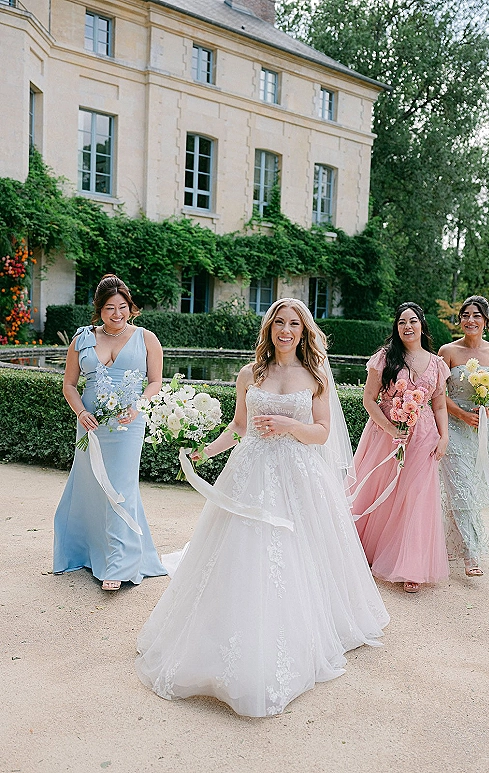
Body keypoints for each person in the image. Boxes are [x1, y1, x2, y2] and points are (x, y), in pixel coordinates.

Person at [135, 298, 389, 717]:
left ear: (304, 331)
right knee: (240, 554)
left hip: (297, 478)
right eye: (278, 323)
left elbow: (323, 433)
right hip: (251, 474)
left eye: (293, 324)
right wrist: (204, 451)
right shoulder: (249, 374)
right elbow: (239, 428)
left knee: (297, 556)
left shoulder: (315, 374)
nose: (285, 330)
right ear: (269, 328)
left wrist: (290, 426)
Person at [53, 274, 167, 591]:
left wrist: (140, 405)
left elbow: (156, 382)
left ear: (130, 307)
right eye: (109, 308)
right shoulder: (82, 339)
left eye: (122, 307)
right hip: (91, 424)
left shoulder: (147, 339)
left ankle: (118, 564)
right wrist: (82, 411)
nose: (117, 314)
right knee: (90, 486)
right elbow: (70, 385)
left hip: (129, 423)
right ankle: (83, 551)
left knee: (121, 487)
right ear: (99, 310)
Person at [351, 302, 450, 593]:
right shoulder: (385, 358)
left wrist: (444, 437)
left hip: (424, 436)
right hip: (387, 433)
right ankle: (366, 551)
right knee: (381, 489)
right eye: (401, 322)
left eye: (413, 321)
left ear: (422, 325)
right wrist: (392, 428)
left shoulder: (436, 363)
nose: (407, 326)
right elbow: (369, 400)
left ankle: (411, 566)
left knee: (416, 495)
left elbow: (440, 403)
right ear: (396, 327)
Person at [438, 295, 489, 577]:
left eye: (476, 315)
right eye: (465, 315)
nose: (470, 320)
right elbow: (437, 394)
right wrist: (462, 414)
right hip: (453, 426)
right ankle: (471, 552)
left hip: (481, 428)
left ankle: (448, 543)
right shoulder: (447, 351)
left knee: (469, 489)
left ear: (486, 321)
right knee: (459, 486)